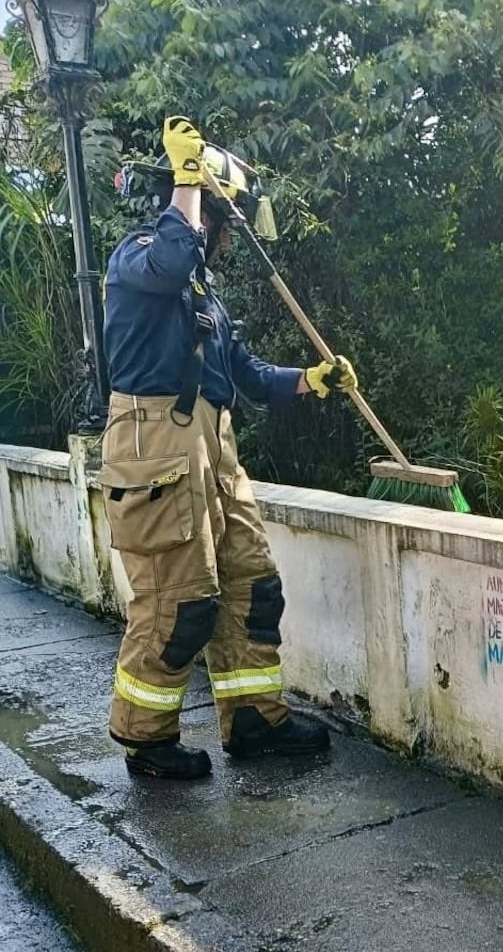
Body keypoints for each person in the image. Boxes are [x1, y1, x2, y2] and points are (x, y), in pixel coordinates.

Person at [100, 115, 356, 781]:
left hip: (214, 453)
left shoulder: (204, 294)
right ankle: (146, 740)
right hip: (156, 449)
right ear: (206, 213)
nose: (230, 242)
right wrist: (189, 180)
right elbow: (170, 258)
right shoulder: (138, 258)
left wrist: (309, 381)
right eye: (227, 222)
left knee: (252, 587)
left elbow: (242, 372)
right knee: (179, 604)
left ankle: (252, 720)